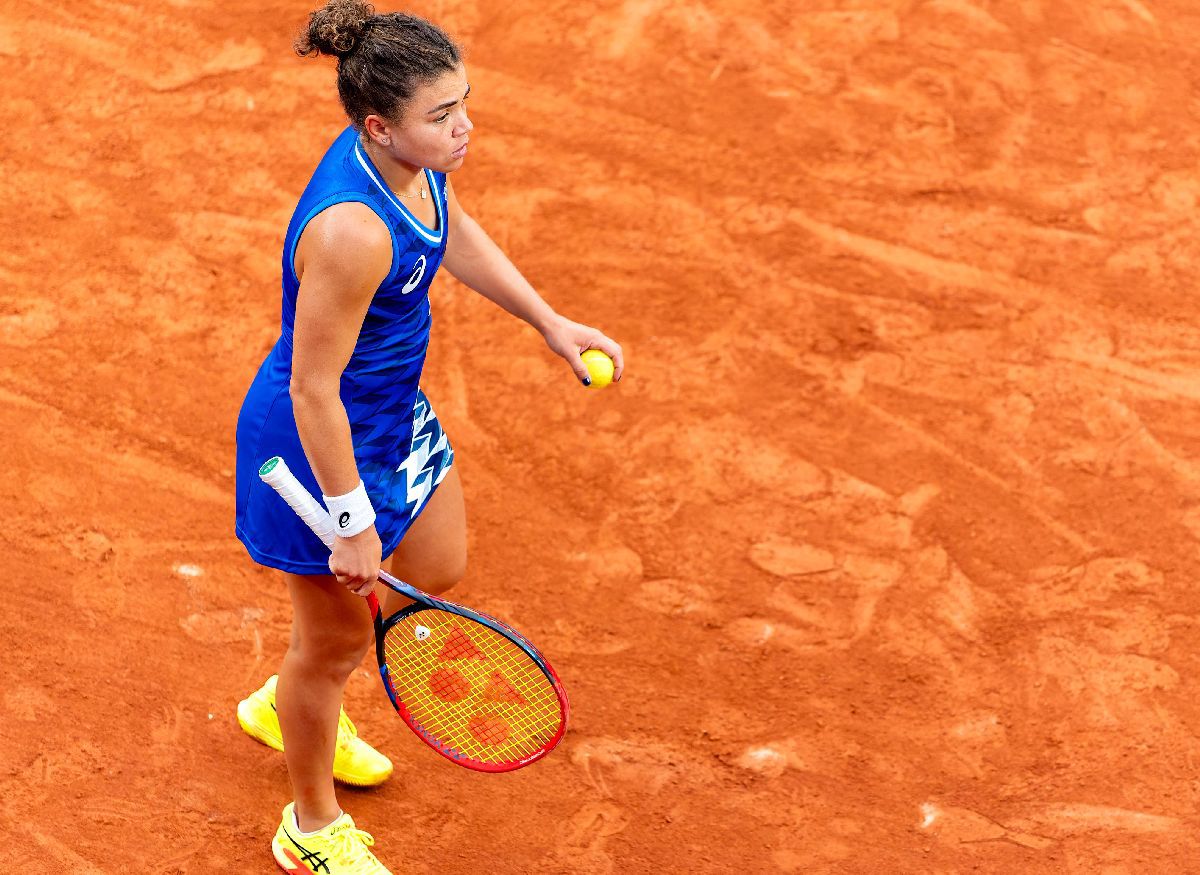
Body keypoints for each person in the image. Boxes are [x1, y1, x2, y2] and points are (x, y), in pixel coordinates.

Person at [232, 2, 624, 871]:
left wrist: (548, 320)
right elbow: (311, 388)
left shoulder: (412, 166)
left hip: (389, 414)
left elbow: (451, 229)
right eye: (442, 115)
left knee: (437, 563)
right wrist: (349, 521)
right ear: (379, 126)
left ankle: (292, 693)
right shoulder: (352, 232)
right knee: (333, 644)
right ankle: (310, 822)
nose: (464, 126)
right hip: (317, 444)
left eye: (463, 103)